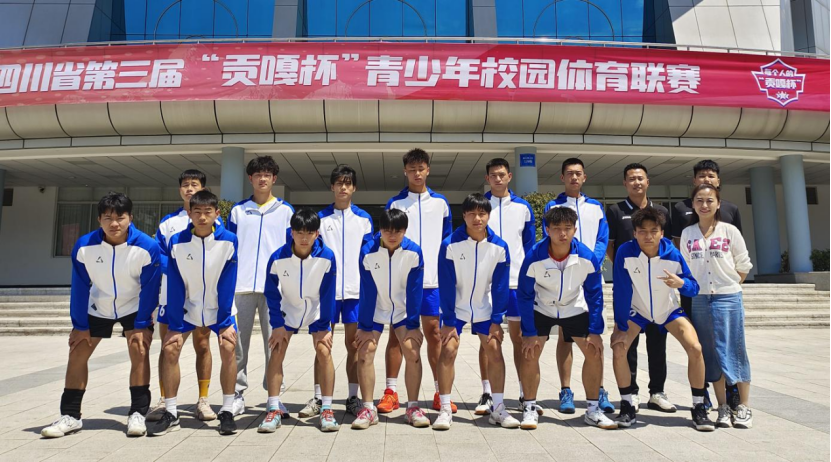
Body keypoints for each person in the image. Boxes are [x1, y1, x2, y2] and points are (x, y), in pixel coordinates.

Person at [41, 193, 161, 439]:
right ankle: (71, 416)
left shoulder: (147, 246)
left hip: (133, 306)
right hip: (98, 306)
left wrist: (141, 324)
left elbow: (150, 288)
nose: (114, 223)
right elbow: (79, 286)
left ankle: (137, 413)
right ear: (99, 219)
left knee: (139, 348)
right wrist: (79, 325)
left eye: (120, 217)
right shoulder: (84, 246)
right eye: (108, 218)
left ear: (131, 218)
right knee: (77, 351)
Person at [611, 207, 715, 432]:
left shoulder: (673, 254)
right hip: (637, 311)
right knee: (619, 348)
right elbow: (620, 290)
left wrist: (681, 283)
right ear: (635, 233)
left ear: (662, 232)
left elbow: (693, 287)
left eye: (654, 231)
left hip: (668, 311)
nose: (648, 236)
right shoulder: (624, 252)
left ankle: (699, 407)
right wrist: (620, 325)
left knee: (695, 348)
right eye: (642, 231)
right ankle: (627, 405)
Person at [148, 191, 239, 436]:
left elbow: (228, 281)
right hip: (187, 308)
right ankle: (171, 412)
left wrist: (224, 322)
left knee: (228, 347)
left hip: (219, 308)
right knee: (170, 348)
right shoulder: (177, 241)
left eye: (208, 212)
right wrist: (175, 325)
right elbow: (176, 282)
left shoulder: (229, 240)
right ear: (189, 213)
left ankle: (227, 411)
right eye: (197, 212)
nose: (202, 217)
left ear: (217, 214)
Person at [517, 207, 616, 431]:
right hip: (543, 308)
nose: (562, 233)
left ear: (575, 230)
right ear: (547, 230)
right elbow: (524, 295)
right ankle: (529, 407)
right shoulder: (534, 256)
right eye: (557, 228)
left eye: (567, 228)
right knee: (530, 352)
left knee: (594, 351)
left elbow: (594, 295)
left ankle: (593, 410)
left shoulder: (587, 257)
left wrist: (595, 330)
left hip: (574, 307)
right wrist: (529, 332)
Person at [434, 193, 520, 431]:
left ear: (488, 216)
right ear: (464, 216)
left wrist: (497, 319)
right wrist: (448, 319)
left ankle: (498, 408)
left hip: (484, 307)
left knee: (495, 351)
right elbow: (446, 283)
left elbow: (501, 286)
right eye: (471, 213)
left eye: (482, 213)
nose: (477, 218)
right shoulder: (449, 244)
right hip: (456, 309)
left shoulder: (499, 246)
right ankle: (444, 408)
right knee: (448, 350)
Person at [258, 209, 339, 433]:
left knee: (324, 351)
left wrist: (324, 325)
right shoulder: (278, 257)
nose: (304, 238)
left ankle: (327, 409)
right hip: (288, 310)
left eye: (309, 233)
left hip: (315, 310)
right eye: (300, 232)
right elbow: (271, 292)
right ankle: (273, 408)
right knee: (277, 350)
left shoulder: (327, 257)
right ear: (292, 232)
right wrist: (277, 324)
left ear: (317, 234)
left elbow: (328, 293)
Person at [385, 148, 454, 414]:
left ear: (428, 170)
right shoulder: (395, 203)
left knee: (434, 334)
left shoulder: (441, 203)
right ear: (405, 171)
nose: (416, 173)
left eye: (421, 168)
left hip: (433, 281)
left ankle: (438, 391)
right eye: (411, 169)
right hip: (402, 282)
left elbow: (447, 243)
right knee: (396, 336)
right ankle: (391, 392)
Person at [671, 159, 744, 409]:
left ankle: (733, 392)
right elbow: (680, 250)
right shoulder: (680, 209)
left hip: (724, 293)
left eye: (711, 176)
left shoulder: (731, 209)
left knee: (728, 343)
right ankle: (702, 393)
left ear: (718, 181)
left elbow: (738, 256)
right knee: (699, 344)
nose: (706, 179)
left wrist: (731, 283)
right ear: (694, 181)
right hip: (695, 292)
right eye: (702, 176)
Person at [543, 158, 614, 414]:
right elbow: (548, 237)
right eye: (569, 174)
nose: (574, 177)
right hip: (564, 277)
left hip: (591, 275)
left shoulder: (595, 207)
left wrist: (593, 261)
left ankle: (599, 389)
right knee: (565, 334)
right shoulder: (553, 206)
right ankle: (565, 390)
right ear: (562, 177)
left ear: (585, 177)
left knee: (595, 335)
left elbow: (602, 238)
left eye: (578, 173)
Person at [681, 184, 754, 429]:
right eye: (699, 200)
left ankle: (743, 406)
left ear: (718, 203)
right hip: (700, 299)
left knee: (735, 349)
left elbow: (743, 264)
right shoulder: (688, 233)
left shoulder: (729, 231)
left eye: (710, 200)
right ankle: (722, 407)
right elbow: (686, 267)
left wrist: (729, 285)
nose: (704, 205)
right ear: (693, 204)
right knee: (710, 352)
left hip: (728, 297)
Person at [605, 163, 676, 413]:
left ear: (648, 182)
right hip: (630, 287)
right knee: (628, 342)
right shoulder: (615, 211)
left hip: (657, 287)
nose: (636, 182)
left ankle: (657, 392)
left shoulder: (661, 210)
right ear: (625, 183)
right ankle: (631, 392)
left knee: (658, 341)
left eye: (640, 178)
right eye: (631, 179)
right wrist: (628, 270)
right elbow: (611, 245)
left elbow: (668, 245)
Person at [352, 209, 431, 430]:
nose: (392, 235)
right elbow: (367, 290)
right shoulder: (368, 251)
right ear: (380, 230)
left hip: (402, 309)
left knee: (412, 351)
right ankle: (368, 408)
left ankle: (412, 407)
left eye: (397, 231)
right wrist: (364, 326)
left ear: (405, 230)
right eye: (387, 230)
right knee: (365, 351)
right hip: (377, 308)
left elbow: (415, 290)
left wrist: (413, 325)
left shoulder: (414, 252)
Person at [305, 165, 374, 419]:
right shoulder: (320, 219)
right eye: (339, 183)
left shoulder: (364, 219)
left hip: (356, 291)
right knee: (322, 344)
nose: (343, 187)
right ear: (332, 186)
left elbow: (369, 256)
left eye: (348, 183)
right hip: (326, 292)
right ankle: (318, 397)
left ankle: (353, 397)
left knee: (353, 345)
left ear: (354, 187)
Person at [228, 156, 294, 417]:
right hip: (241, 286)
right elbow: (230, 248)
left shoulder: (285, 211)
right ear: (250, 178)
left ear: (274, 179)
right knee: (238, 345)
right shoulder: (238, 211)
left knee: (275, 344)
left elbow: (290, 250)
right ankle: (236, 394)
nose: (262, 178)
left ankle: (274, 397)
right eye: (258, 174)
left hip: (274, 289)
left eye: (267, 174)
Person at [479, 158, 536, 415]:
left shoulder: (523, 207)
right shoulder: (480, 205)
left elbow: (529, 246)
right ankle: (487, 393)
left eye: (502, 174)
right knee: (487, 340)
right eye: (493, 175)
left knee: (519, 338)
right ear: (487, 179)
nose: (498, 179)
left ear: (510, 176)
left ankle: (524, 394)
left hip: (515, 283)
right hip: (485, 283)